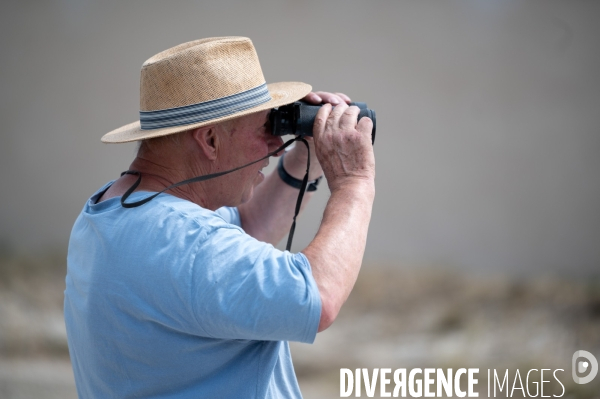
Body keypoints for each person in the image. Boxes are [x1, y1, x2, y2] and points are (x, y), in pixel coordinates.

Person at [64, 36, 375, 398]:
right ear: (209, 140)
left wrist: (305, 159)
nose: (276, 146)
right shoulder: (187, 243)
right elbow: (317, 297)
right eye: (264, 128)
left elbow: (249, 229)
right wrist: (355, 181)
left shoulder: (108, 212)